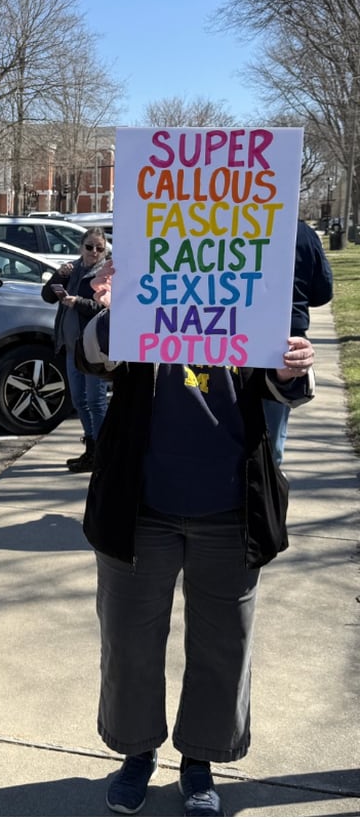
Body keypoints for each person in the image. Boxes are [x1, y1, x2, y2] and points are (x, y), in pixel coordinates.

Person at [77, 260, 315, 817]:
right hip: (141, 509)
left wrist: (292, 369)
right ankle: (137, 752)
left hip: (231, 507)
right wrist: (120, 304)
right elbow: (92, 354)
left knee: (222, 647)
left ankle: (199, 758)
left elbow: (286, 387)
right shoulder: (139, 285)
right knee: (129, 644)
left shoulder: (256, 288)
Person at [263, 220, 333, 464]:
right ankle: (269, 490)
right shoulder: (300, 231)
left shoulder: (205, 228)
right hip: (283, 345)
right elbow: (323, 292)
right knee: (269, 446)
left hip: (214, 337)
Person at [41, 226, 110, 472]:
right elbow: (47, 296)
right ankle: (91, 448)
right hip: (72, 347)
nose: (93, 252)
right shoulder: (72, 269)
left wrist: (77, 302)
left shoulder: (106, 273)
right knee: (79, 400)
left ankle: (103, 453)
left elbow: (105, 308)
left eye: (99, 248)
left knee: (96, 401)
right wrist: (58, 276)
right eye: (89, 246)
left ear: (105, 251)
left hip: (94, 348)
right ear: (81, 246)